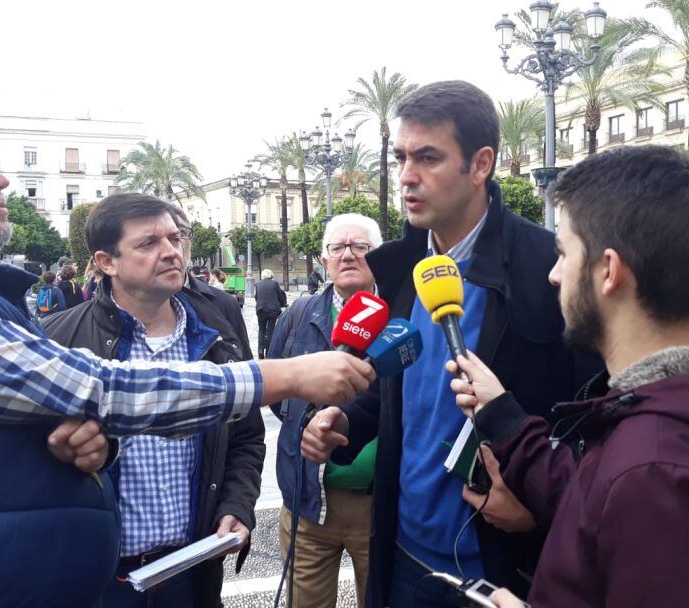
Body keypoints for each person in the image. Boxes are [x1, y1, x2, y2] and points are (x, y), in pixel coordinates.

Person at [0, 92, 375, 606]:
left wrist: (84, 449)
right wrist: (285, 374)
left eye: (175, 239)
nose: (0, 180)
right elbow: (99, 389)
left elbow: (13, 436)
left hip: (178, 565)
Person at [446, 146, 689, 607]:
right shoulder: (677, 413)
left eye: (564, 254)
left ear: (609, 271)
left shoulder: (662, 476)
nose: (552, 275)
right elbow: (597, 492)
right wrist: (505, 416)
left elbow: (632, 486)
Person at [300, 81, 604, 607]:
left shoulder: (549, 270)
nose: (406, 177)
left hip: (501, 566)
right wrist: (346, 422)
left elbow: (598, 417)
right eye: (400, 158)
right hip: (400, 554)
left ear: (480, 164)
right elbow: (401, 382)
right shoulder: (397, 269)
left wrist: (540, 506)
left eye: (428, 158)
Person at [43, 196, 266, 607]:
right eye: (148, 243)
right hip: (100, 580)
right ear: (106, 262)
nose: (171, 251)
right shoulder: (55, 340)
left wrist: (236, 503)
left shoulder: (217, 335)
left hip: (191, 571)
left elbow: (246, 436)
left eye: (174, 237)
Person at [269, 213, 383, 608]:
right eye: (338, 248)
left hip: (381, 504)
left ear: (378, 256)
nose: (348, 255)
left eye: (360, 247)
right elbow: (280, 394)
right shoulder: (298, 315)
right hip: (307, 500)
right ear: (324, 260)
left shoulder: (404, 314)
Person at [254, 268, 286, 358]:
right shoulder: (274, 283)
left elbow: (256, 297)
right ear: (271, 275)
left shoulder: (257, 284)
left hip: (261, 310)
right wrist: (283, 304)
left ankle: (260, 350)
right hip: (272, 310)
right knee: (270, 331)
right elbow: (279, 295)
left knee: (261, 330)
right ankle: (268, 351)